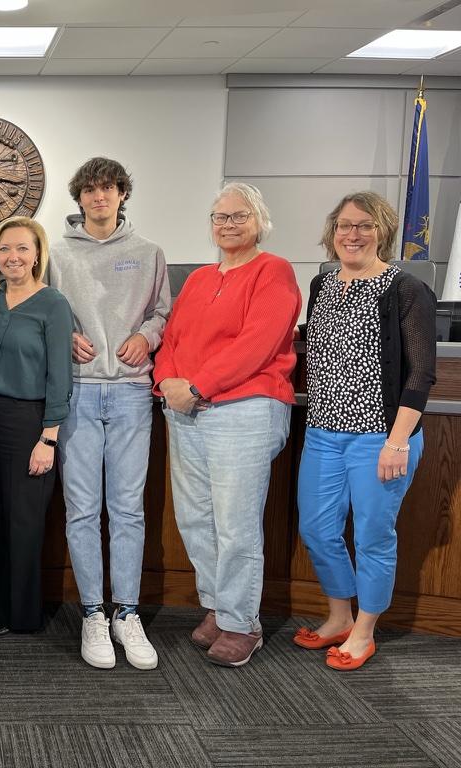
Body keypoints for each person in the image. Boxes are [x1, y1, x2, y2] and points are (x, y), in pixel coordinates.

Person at [153, 182, 300, 667]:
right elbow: (172, 338)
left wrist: (197, 386)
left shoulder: (273, 271)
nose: (228, 224)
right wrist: (168, 382)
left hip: (246, 409)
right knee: (196, 518)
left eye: (239, 216)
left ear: (259, 221)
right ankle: (219, 606)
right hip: (187, 410)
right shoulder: (197, 280)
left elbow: (258, 343)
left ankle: (243, 623)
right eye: (220, 216)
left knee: (235, 523)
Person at [295, 192, 436, 670]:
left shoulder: (405, 288)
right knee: (316, 529)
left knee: (374, 534)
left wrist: (397, 441)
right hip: (322, 432)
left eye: (364, 226)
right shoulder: (322, 284)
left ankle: (365, 629)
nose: (352, 235)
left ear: (383, 231)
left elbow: (420, 375)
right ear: (332, 233)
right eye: (343, 226)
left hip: (381, 435)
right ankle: (338, 615)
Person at [50, 157, 170, 671]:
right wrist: (63, 335)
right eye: (91, 190)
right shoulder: (55, 254)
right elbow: (42, 309)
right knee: (80, 510)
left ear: (123, 194)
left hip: (129, 396)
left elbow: (162, 312)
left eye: (110, 189)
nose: (100, 197)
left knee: (126, 510)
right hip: (76, 392)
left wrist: (147, 336)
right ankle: (93, 614)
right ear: (79, 198)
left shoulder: (149, 253)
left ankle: (127, 613)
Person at [0, 216, 73, 637]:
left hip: (28, 422)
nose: (12, 256)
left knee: (24, 520)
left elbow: (59, 376)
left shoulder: (53, 304)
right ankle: (1, 607)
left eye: (22, 249)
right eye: (4, 249)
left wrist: (49, 437)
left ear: (36, 255)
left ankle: (24, 614)